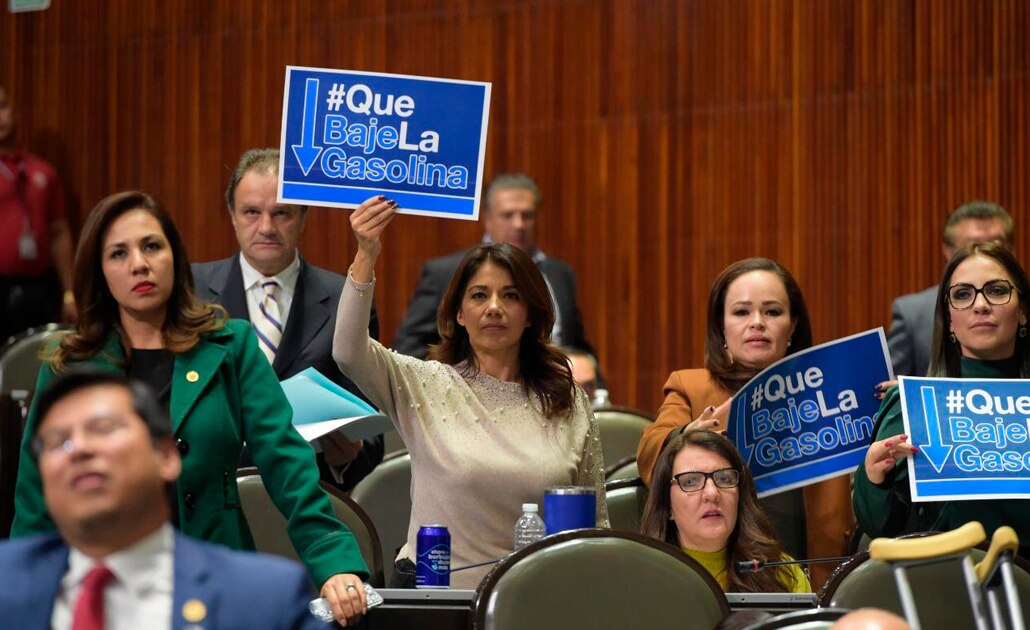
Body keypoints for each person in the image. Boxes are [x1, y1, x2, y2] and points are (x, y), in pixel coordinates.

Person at [10, 190, 368, 626]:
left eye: (151, 246)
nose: (139, 264)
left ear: (174, 257)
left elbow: (286, 462)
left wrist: (333, 559)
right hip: (97, 582)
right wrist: (22, 586)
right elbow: (35, 495)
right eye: (118, 254)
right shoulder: (67, 361)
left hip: (211, 577)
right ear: (99, 272)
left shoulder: (230, 344)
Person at [333, 196, 608, 589]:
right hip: (435, 596)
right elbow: (347, 350)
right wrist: (366, 253)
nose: (494, 308)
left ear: (530, 314)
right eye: (479, 295)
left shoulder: (564, 396)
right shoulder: (424, 383)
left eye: (511, 296)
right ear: (459, 314)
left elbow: (594, 518)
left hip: (536, 598)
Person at [0, 370, 326, 629]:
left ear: (167, 456)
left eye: (103, 428)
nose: (80, 449)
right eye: (58, 441)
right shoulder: (7, 586)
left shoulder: (264, 602)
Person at [636, 258, 854, 587]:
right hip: (727, 579)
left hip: (816, 575)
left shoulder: (833, 392)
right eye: (741, 312)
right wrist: (687, 436)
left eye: (772, 312)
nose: (757, 323)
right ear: (721, 326)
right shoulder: (691, 387)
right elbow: (650, 452)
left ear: (793, 325)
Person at [192, 148, 384, 491]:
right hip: (211, 497)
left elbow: (372, 434)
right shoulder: (190, 293)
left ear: (303, 217)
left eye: (281, 213)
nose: (266, 227)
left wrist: (345, 458)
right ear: (232, 215)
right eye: (251, 212)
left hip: (310, 497)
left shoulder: (347, 298)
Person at [855, 242, 1030, 550]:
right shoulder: (910, 405)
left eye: (997, 290)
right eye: (962, 294)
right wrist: (873, 477)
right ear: (949, 319)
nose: (980, 305)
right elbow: (883, 530)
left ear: (1024, 311)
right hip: (943, 583)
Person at [392, 173, 596, 360]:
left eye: (527, 215)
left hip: (556, 388)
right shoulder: (445, 273)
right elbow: (409, 348)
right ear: (488, 219)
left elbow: (578, 345)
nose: (518, 224)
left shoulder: (560, 273)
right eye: (508, 215)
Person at [640, 429, 812, 593]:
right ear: (668, 505)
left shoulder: (781, 573)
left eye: (724, 478)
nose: (712, 493)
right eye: (691, 481)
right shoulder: (640, 578)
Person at [887, 201, 1012, 379]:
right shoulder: (914, 314)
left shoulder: (1020, 303)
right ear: (948, 251)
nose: (983, 255)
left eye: (995, 245)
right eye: (973, 245)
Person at [0, 84, 76, 341]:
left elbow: (59, 232)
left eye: (2, 106)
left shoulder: (42, 171)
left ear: (15, 112)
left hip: (40, 288)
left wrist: (69, 292)